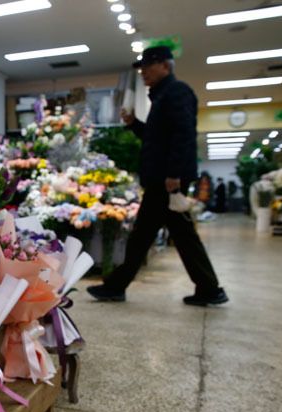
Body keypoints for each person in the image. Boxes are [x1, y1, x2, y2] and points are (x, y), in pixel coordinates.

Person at [87, 46, 228, 306]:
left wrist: (174, 174)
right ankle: (208, 288)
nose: (143, 72)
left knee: (157, 236)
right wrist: (134, 124)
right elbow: (156, 139)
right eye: (141, 67)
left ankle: (118, 286)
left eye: (148, 66)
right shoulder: (162, 96)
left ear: (165, 65)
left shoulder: (176, 92)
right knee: (164, 235)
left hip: (167, 181)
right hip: (161, 180)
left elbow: (183, 135)